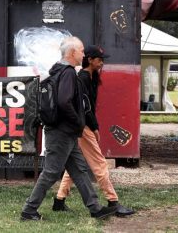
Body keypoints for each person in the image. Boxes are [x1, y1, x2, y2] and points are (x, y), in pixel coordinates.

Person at [21, 37, 118, 221]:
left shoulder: (58, 71)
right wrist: (78, 122)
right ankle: (29, 210)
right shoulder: (68, 73)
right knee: (51, 172)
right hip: (62, 132)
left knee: (79, 170)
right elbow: (64, 102)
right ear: (72, 52)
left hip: (64, 131)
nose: (83, 54)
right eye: (81, 51)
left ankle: (95, 208)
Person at [52, 45, 135, 217]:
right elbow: (85, 107)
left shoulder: (90, 77)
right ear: (89, 60)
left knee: (74, 166)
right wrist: (94, 127)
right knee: (99, 163)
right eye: (99, 60)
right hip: (84, 127)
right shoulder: (82, 78)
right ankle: (113, 201)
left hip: (82, 126)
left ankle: (59, 201)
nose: (102, 63)